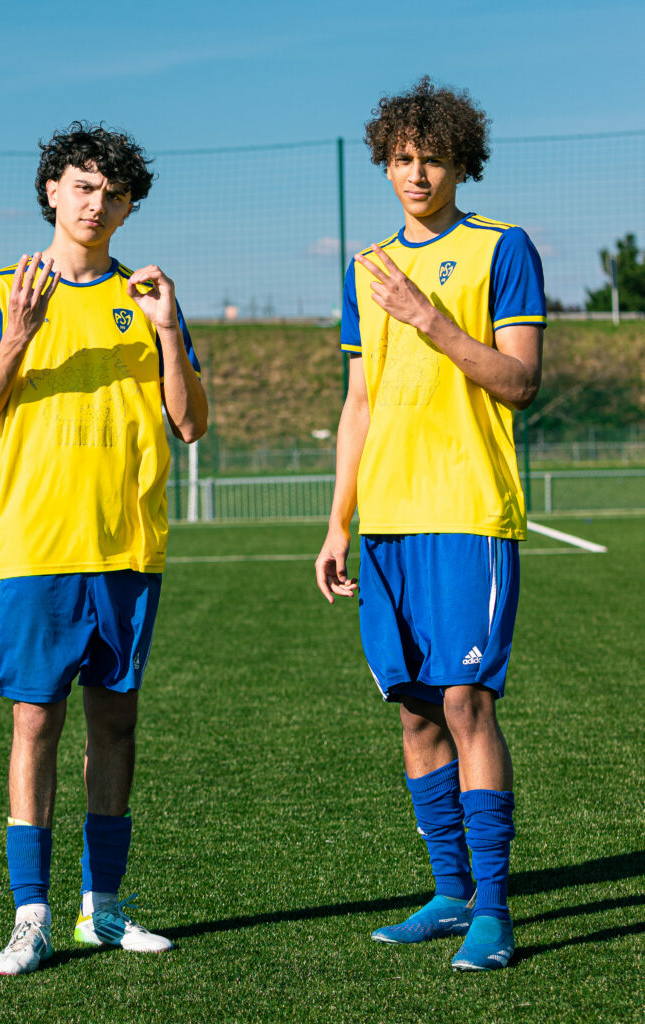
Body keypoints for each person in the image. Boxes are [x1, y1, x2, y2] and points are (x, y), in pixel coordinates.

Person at [0, 121, 207, 976]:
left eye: (114, 193)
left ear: (129, 208)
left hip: (127, 549)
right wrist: (18, 336)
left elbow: (189, 424)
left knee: (116, 724)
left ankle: (105, 909)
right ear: (52, 191)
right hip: (36, 547)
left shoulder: (149, 295)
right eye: (83, 186)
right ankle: (31, 916)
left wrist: (167, 332)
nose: (97, 203)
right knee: (35, 722)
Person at [315, 77, 545, 971]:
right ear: (384, 163)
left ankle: (493, 908)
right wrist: (338, 522)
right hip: (388, 521)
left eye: (434, 158)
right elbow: (359, 402)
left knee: (464, 701)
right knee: (415, 712)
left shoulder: (500, 248)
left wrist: (432, 321)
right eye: (403, 158)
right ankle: (449, 893)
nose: (417, 174)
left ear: (461, 164)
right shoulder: (365, 266)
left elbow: (518, 381)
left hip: (467, 507)